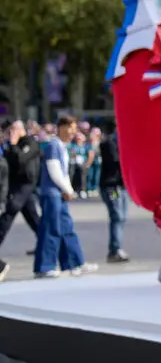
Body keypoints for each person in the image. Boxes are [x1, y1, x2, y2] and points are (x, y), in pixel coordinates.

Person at [32, 118, 90, 278]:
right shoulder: (53, 145)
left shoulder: (62, 147)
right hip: (52, 194)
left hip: (59, 194)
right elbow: (55, 171)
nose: (73, 132)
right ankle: (45, 266)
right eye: (70, 128)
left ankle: (74, 263)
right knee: (51, 230)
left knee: (66, 228)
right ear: (61, 127)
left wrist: (67, 190)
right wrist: (68, 189)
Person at [0, 120, 41, 282]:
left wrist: (14, 143)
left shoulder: (30, 143)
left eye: (14, 129)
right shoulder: (10, 145)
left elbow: (21, 160)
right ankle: (49, 245)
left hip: (25, 185)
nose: (12, 133)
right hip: (16, 187)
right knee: (35, 221)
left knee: (7, 216)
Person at [96, 121, 128, 263]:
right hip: (111, 186)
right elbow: (115, 161)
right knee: (117, 215)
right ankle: (115, 250)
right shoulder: (109, 143)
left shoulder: (123, 143)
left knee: (122, 217)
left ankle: (117, 247)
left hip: (121, 186)